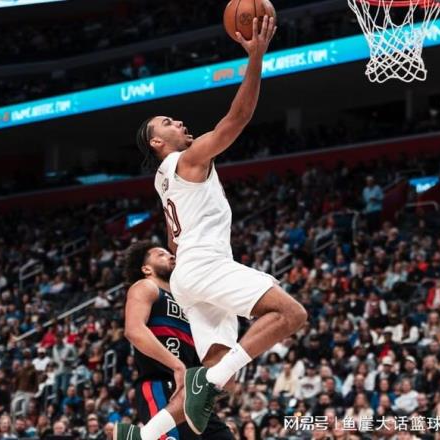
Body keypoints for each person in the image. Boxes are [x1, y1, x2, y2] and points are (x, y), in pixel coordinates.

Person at [116, 14, 307, 440]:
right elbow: (235, 120)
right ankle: (201, 384)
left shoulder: (163, 180)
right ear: (157, 142)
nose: (180, 123)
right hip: (204, 265)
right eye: (169, 123)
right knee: (290, 313)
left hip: (189, 275)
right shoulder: (185, 161)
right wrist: (256, 58)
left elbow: (173, 240)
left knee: (220, 374)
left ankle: (142, 436)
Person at [119, 241, 233, 440]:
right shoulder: (146, 286)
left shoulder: (187, 302)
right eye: (161, 254)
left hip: (192, 392)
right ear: (146, 269)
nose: (171, 256)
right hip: (161, 383)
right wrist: (177, 366)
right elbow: (134, 330)